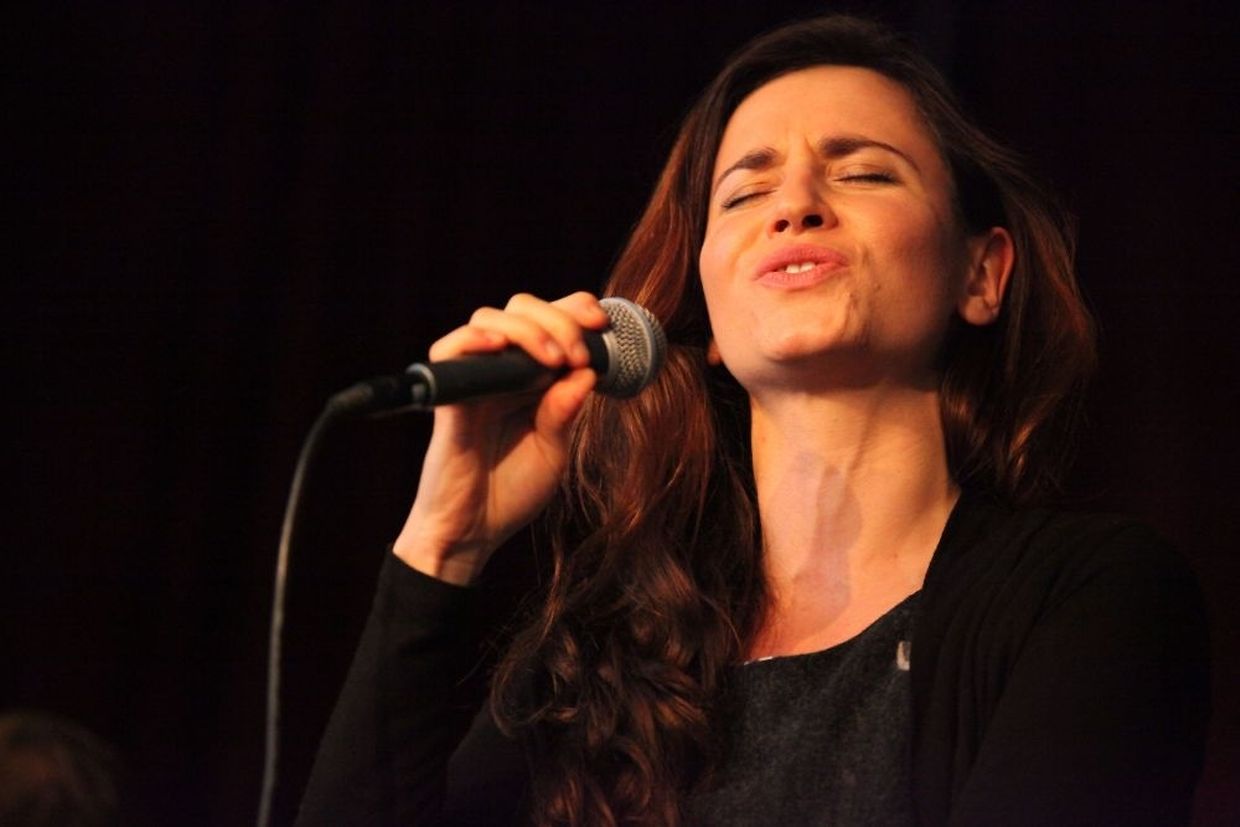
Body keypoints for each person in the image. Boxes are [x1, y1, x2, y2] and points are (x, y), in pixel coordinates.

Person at [297, 15, 1209, 826]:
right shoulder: (601, 657)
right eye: (742, 194)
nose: (794, 206)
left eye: (863, 172)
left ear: (981, 274)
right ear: (708, 310)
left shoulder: (1088, 595)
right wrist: (444, 542)